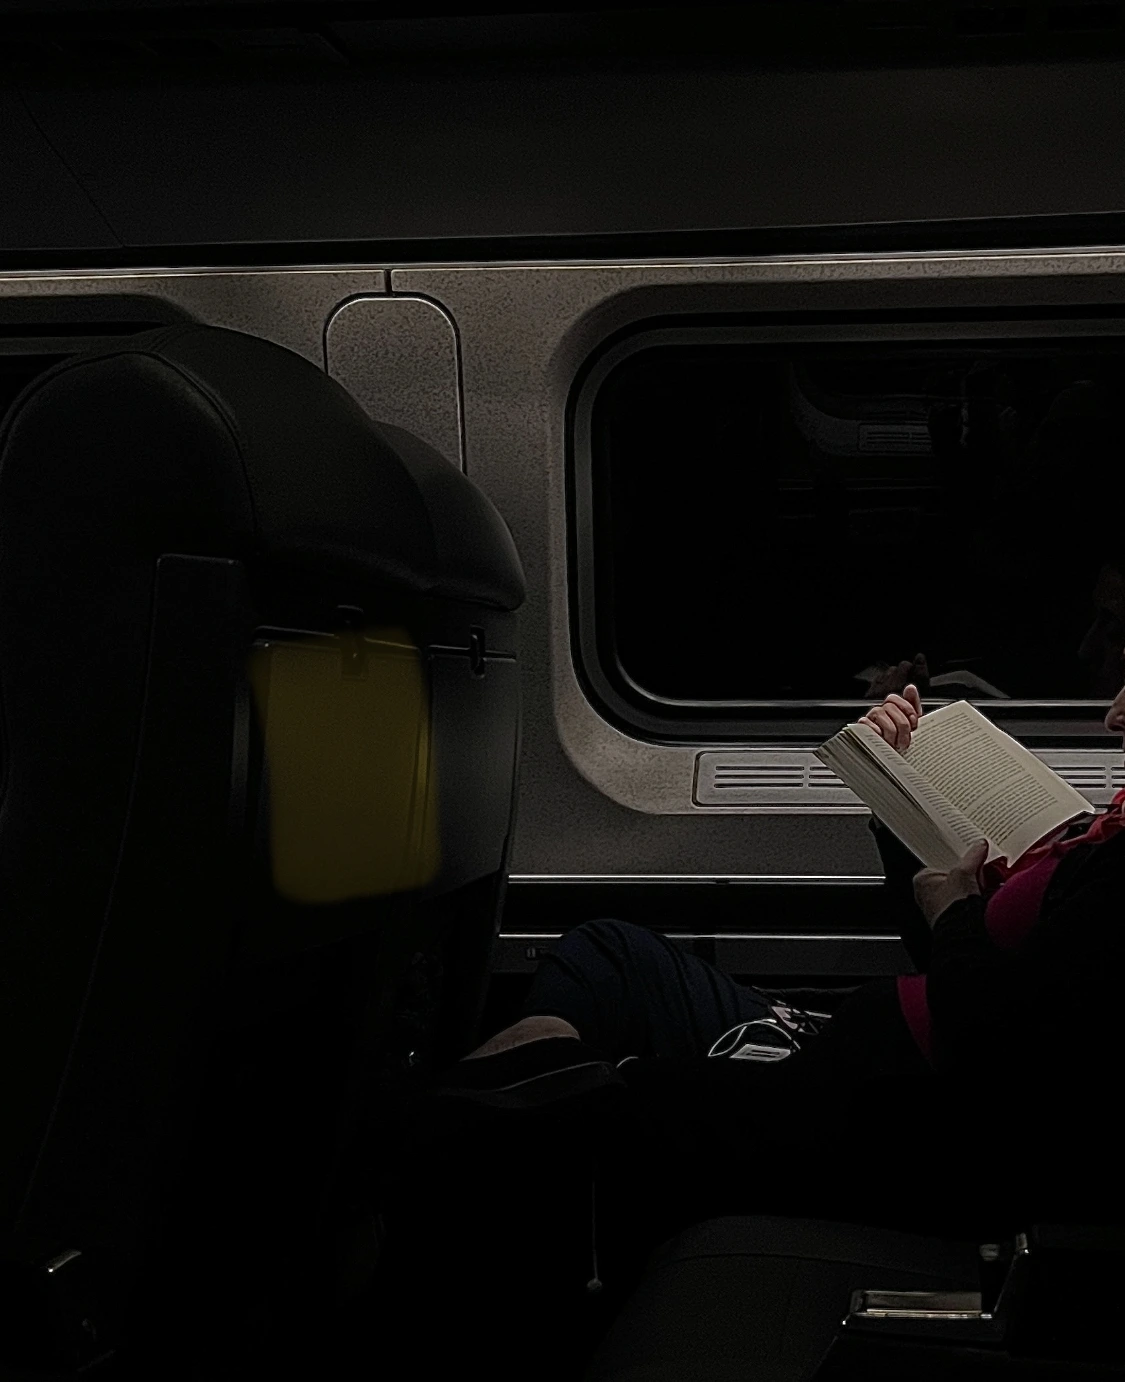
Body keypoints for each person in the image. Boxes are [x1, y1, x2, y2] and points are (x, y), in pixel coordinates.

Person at [435, 652, 1125, 1251]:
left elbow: (995, 1042)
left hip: (886, 1118)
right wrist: (899, 799)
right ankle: (495, 1095)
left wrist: (957, 912)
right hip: (869, 1058)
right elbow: (953, 968)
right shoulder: (1109, 834)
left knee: (598, 1106)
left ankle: (433, 1144)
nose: (1113, 716)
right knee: (608, 953)